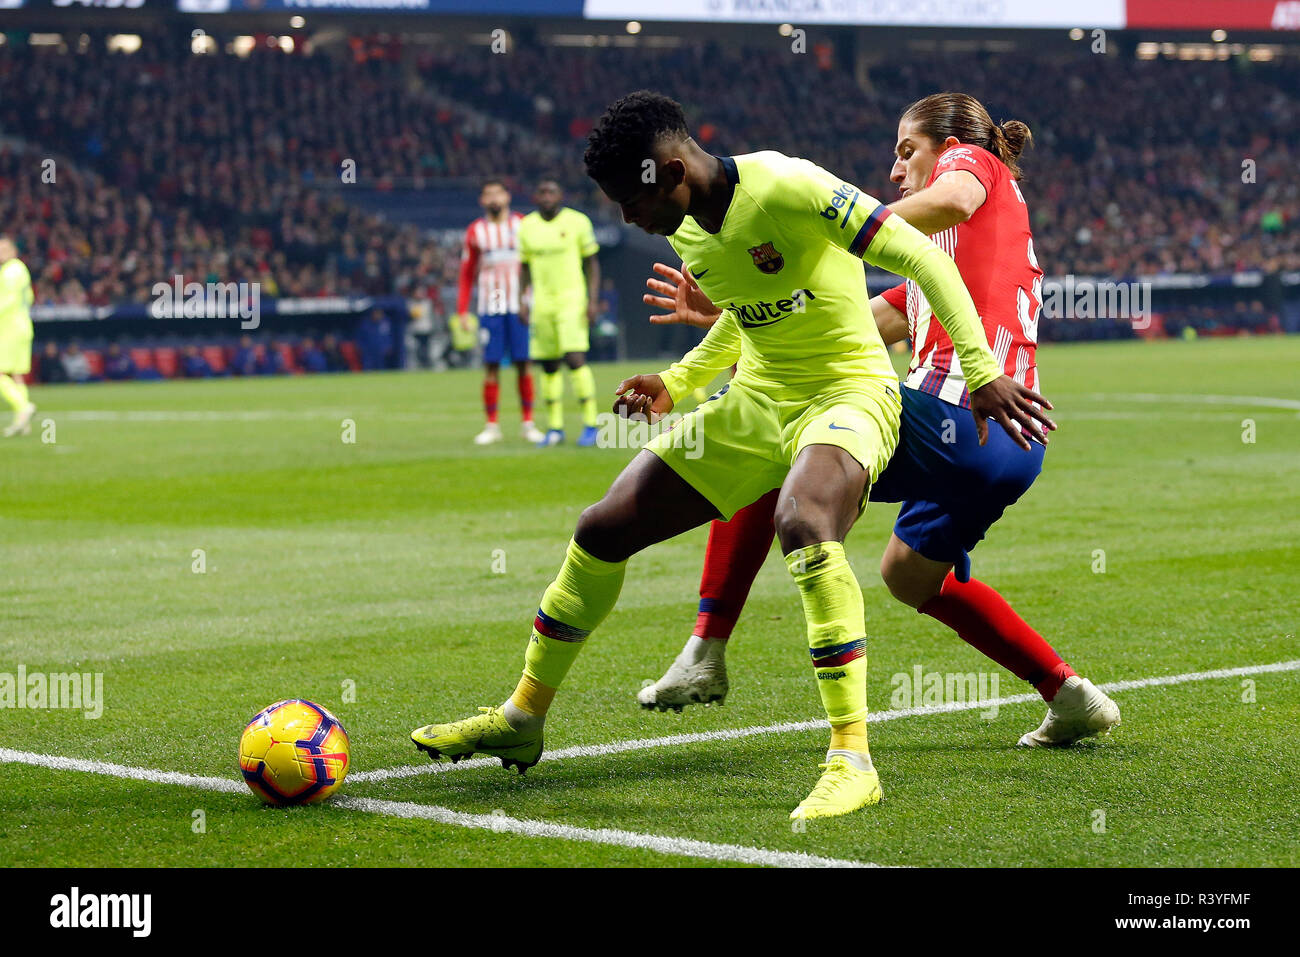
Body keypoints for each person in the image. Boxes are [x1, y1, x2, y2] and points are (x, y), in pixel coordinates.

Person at [410, 91, 1050, 819]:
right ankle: (523, 718)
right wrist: (678, 381)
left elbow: (923, 265)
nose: (626, 218)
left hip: (848, 392)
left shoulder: (790, 185)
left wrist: (982, 368)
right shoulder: (684, 226)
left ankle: (851, 757)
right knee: (603, 525)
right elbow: (749, 315)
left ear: (671, 168)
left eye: (629, 199)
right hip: (760, 401)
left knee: (804, 522)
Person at [637, 92, 1120, 748]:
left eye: (906, 151)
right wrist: (734, 311)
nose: (895, 169)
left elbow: (949, 199)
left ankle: (705, 650)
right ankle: (1069, 693)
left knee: (770, 443)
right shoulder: (936, 268)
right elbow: (822, 320)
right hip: (1004, 445)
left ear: (948, 148)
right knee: (908, 573)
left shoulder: (973, 161)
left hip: (968, 415)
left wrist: (832, 230)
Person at [517, 177, 601, 447]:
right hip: (541, 303)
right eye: (541, 191)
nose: (546, 196)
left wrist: (592, 300)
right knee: (548, 365)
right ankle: (555, 428)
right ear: (536, 196)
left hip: (571, 300)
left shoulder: (578, 222)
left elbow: (592, 265)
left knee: (575, 359)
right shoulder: (527, 226)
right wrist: (522, 299)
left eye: (551, 191)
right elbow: (524, 267)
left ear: (560, 195)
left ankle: (590, 424)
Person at [458, 178, 542, 445]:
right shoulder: (475, 232)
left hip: (520, 306)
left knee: (523, 363)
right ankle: (491, 426)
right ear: (482, 201)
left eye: (498, 194)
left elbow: (535, 264)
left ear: (507, 197)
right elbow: (466, 273)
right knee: (491, 365)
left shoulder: (524, 225)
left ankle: (528, 423)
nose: (494, 199)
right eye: (488, 195)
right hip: (490, 307)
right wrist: (462, 311)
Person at [0, 236, 36, 437]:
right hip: (22, 325)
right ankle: (22, 422)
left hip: (9, 328)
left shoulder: (11, 270)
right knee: (16, 375)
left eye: (4, 248)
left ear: (14, 250)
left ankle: (23, 407)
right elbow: (28, 298)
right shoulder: (20, 269)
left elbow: (10, 299)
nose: (0, 252)